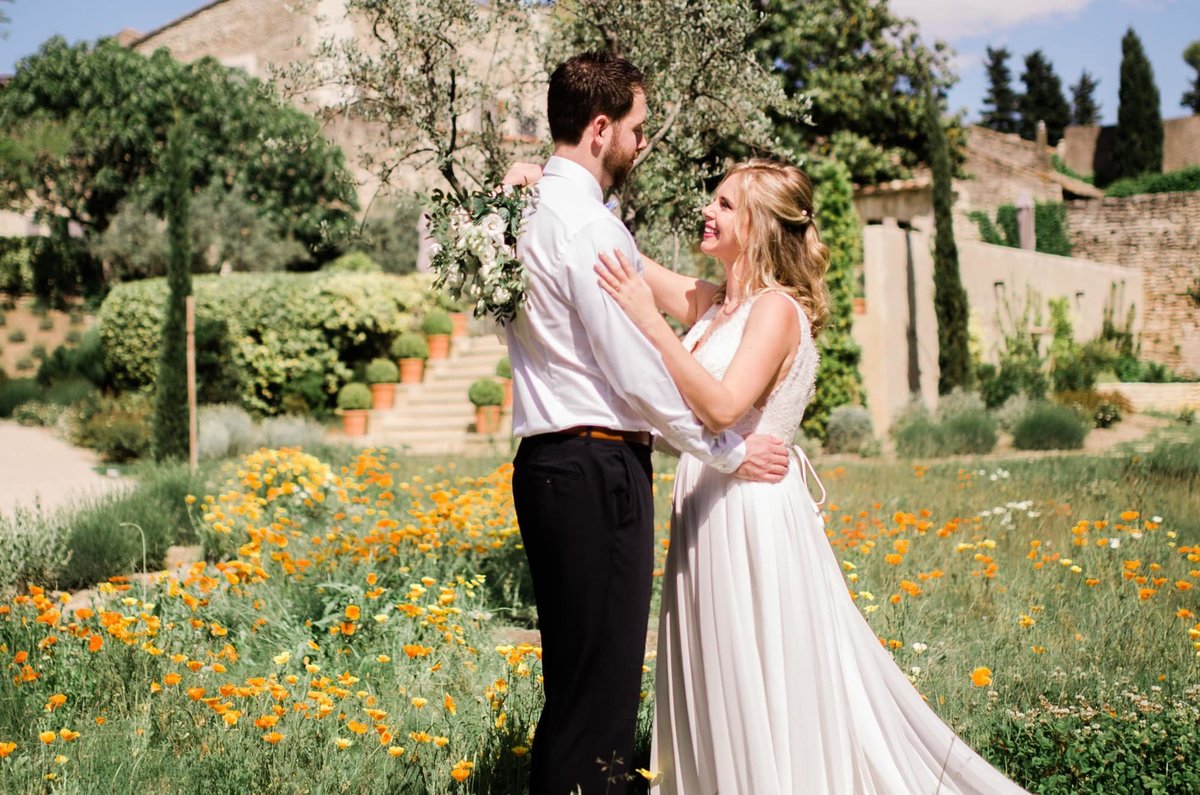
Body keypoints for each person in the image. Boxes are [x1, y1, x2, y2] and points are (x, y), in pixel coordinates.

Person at [591, 158, 1028, 793]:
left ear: (762, 226)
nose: (708, 212)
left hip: (751, 513)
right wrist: (560, 188)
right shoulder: (716, 305)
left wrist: (648, 321)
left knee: (755, 668)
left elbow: (720, 406)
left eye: (727, 205)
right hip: (707, 509)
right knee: (718, 669)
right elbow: (627, 261)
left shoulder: (773, 311)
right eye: (713, 200)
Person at [504, 52, 791, 795]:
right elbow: (637, 373)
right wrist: (723, 449)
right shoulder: (591, 229)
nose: (642, 143)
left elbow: (693, 301)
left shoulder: (525, 214)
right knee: (598, 699)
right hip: (600, 471)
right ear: (600, 129)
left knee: (572, 681)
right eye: (636, 128)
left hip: (543, 469)